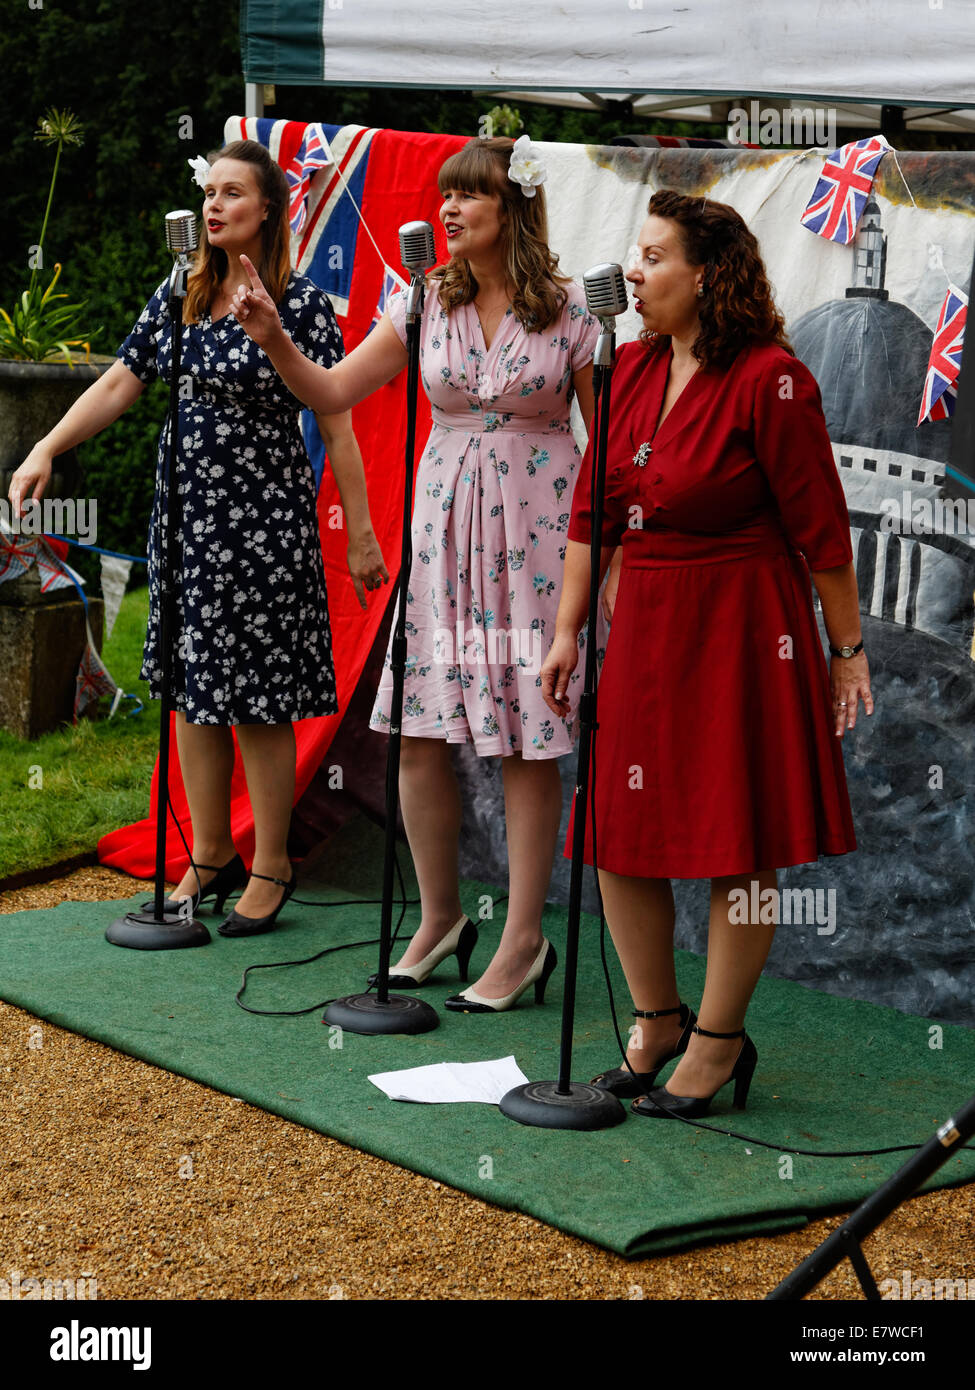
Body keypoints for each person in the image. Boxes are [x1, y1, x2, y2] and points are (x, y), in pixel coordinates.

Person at [229, 136, 600, 1008]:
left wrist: (600, 570)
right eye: (444, 196)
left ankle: (521, 940)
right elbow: (329, 392)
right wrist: (275, 338)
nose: (447, 210)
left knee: (523, 738)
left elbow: (607, 453)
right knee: (422, 732)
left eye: (467, 197)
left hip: (535, 549)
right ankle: (438, 920)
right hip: (442, 542)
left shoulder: (574, 314)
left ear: (511, 209)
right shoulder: (423, 300)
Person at [540, 190, 873, 1117]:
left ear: (706, 273)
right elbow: (589, 514)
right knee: (615, 831)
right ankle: (657, 1023)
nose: (633, 273)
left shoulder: (771, 377)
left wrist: (844, 652)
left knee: (738, 840)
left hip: (739, 624)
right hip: (644, 618)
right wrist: (568, 630)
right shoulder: (629, 367)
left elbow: (823, 531)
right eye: (633, 256)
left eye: (652, 257)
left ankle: (720, 1041)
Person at [8, 139, 388, 936]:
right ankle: (209, 857)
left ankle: (273, 863)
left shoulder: (300, 302)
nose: (214, 207)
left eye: (233, 195)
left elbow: (338, 424)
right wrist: (47, 446)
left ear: (268, 212)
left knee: (256, 698)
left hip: (261, 526)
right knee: (192, 693)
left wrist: (359, 534)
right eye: (208, 193)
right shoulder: (180, 290)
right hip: (186, 521)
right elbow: (121, 379)